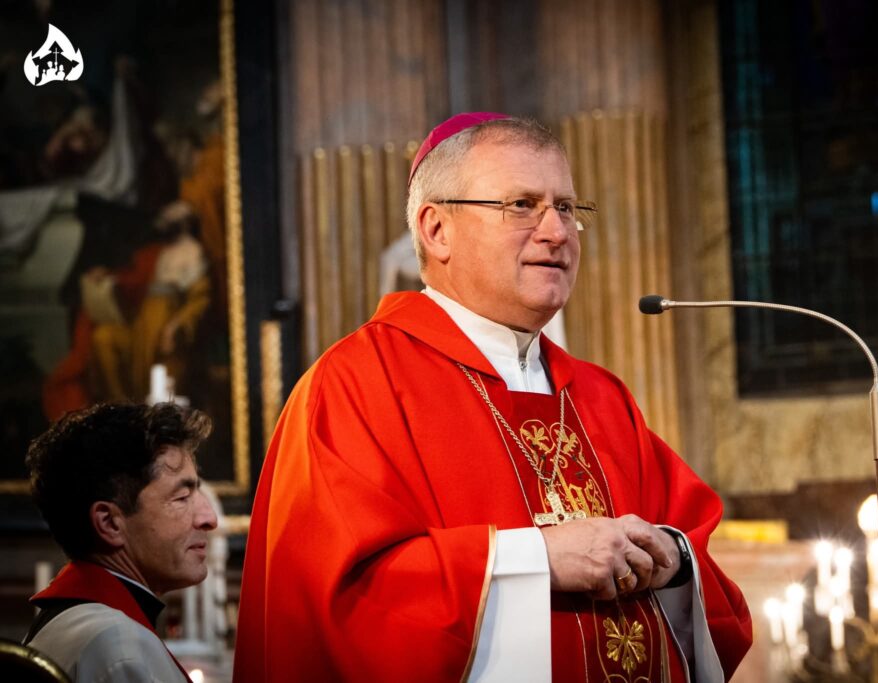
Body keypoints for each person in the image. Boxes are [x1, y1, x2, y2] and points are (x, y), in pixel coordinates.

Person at [235, 113, 752, 682]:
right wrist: (538, 561)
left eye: (566, 208)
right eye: (522, 205)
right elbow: (341, 605)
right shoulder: (355, 386)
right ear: (437, 230)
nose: (557, 232)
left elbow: (703, 574)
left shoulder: (601, 397)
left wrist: (672, 560)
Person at [23, 402, 217, 682]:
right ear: (110, 523)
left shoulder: (75, 626)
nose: (209, 518)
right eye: (182, 498)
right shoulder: (119, 647)